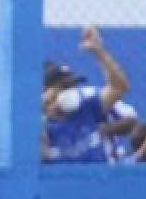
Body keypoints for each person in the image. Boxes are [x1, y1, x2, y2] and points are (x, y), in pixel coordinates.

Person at [40, 26, 130, 163]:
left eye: (71, 86)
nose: (71, 91)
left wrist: (99, 51)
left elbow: (119, 87)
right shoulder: (37, 124)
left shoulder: (86, 105)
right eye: (63, 87)